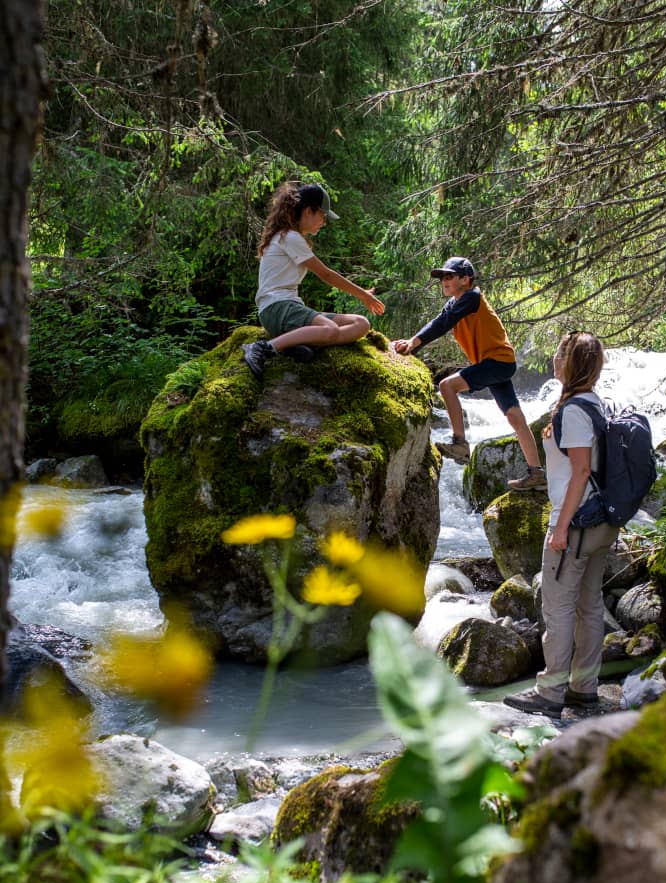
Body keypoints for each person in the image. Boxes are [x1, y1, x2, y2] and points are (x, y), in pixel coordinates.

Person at [504, 331, 619, 718]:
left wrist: (560, 527)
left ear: (570, 363)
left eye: (559, 354)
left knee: (558, 608)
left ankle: (550, 693)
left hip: (577, 524)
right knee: (589, 606)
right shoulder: (595, 404)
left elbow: (582, 470)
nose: (554, 359)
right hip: (602, 522)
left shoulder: (573, 411)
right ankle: (583, 689)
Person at [393, 256, 545, 487]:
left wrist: (413, 343)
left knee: (447, 386)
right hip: (497, 363)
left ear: (466, 279)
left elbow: (444, 323)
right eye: (442, 277)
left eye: (449, 276)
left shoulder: (472, 297)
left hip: (497, 362)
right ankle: (537, 473)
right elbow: (440, 321)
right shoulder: (456, 302)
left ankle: (460, 443)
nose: (444, 281)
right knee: (515, 417)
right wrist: (412, 343)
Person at [242, 181, 385, 380]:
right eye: (323, 216)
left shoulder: (292, 236)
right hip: (277, 308)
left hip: (289, 308)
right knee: (330, 330)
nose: (324, 222)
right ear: (309, 211)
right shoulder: (289, 237)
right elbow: (326, 274)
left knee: (361, 324)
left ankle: (293, 344)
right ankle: (263, 348)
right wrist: (363, 295)